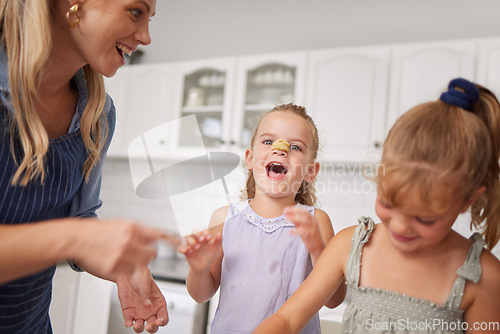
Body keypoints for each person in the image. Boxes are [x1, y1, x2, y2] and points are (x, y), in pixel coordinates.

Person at [254, 78, 500, 334]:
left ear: (468, 199)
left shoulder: (483, 278)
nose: (401, 225)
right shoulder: (350, 245)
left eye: (425, 218)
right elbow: (286, 320)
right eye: (388, 202)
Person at [0, 0, 171, 333]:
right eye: (136, 12)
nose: (147, 37)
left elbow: (78, 218)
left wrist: (123, 267)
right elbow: (74, 233)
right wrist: (75, 238)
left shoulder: (98, 115)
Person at [178, 103, 347, 333]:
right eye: (268, 142)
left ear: (310, 171)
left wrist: (317, 247)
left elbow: (333, 300)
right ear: (249, 158)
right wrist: (198, 269)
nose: (280, 149)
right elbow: (201, 295)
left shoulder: (316, 222)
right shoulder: (225, 218)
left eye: (295, 147)